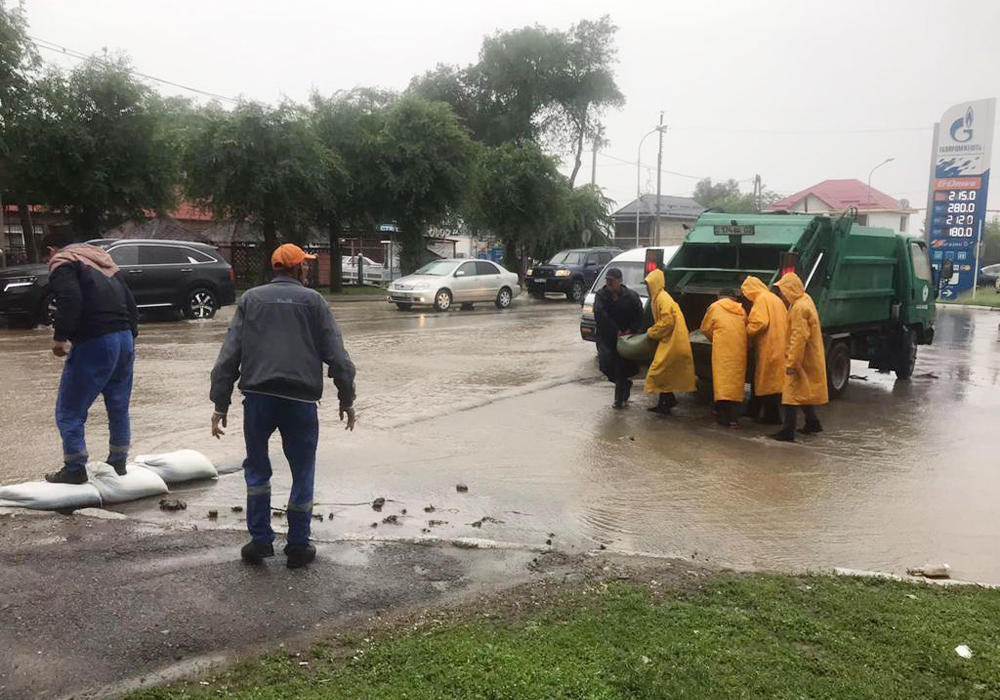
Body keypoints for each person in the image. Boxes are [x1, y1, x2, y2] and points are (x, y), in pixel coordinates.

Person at [210, 243, 357, 568]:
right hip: (301, 401)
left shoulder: (250, 300)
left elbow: (229, 355)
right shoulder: (314, 302)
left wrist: (221, 403)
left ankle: (260, 541)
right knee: (303, 470)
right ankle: (298, 546)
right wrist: (346, 399)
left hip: (258, 400)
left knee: (258, 468)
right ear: (298, 269)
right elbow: (337, 357)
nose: (307, 269)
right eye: (305, 265)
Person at [43, 233, 139, 484]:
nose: (48, 261)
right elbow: (130, 302)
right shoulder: (105, 261)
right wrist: (130, 336)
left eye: (47, 256)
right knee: (118, 405)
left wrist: (60, 337)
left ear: (52, 249)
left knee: (69, 410)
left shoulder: (63, 261)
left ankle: (75, 468)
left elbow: (70, 299)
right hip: (124, 338)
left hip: (95, 339)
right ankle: (118, 462)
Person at [771, 272, 827, 442]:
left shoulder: (798, 308)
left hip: (800, 357)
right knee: (801, 390)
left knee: (790, 393)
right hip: (809, 355)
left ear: (790, 290)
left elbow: (799, 337)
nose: (781, 294)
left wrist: (792, 363)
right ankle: (813, 423)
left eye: (782, 290)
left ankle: (788, 431)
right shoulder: (805, 300)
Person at [643, 268, 696, 414]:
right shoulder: (659, 298)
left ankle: (667, 401)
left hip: (674, 340)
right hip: (672, 339)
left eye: (648, 285)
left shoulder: (662, 298)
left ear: (654, 284)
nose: (646, 288)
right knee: (664, 372)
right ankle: (666, 402)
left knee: (657, 370)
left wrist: (651, 333)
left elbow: (668, 321)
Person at [740, 275, 788, 425]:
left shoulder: (761, 300)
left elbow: (760, 322)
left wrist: (745, 332)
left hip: (769, 345)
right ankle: (754, 410)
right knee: (768, 380)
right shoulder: (774, 298)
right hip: (780, 344)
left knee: (767, 382)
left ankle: (772, 417)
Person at [593, 267, 643, 409]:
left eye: (612, 281)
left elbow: (639, 314)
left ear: (620, 281)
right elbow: (600, 316)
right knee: (605, 366)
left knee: (620, 369)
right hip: (607, 338)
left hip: (625, 339)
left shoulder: (631, 296)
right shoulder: (601, 296)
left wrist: (630, 330)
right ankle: (625, 385)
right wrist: (615, 331)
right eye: (607, 281)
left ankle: (618, 401)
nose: (609, 284)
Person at [699, 289, 748, 427]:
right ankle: (734, 418)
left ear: (719, 297)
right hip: (739, 349)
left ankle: (723, 417)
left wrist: (715, 338)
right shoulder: (741, 310)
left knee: (722, 382)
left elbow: (705, 328)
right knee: (735, 383)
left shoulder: (715, 307)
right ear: (734, 298)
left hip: (722, 350)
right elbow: (746, 327)